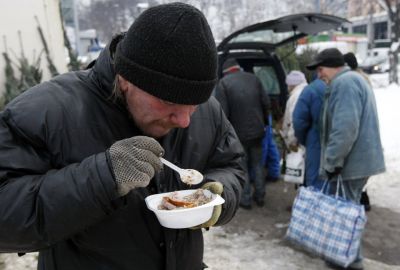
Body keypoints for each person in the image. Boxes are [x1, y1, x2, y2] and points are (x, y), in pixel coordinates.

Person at [0, 3, 246, 270]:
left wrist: (218, 198)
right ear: (126, 79)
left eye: (195, 104)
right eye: (167, 101)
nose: (185, 121)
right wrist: (102, 177)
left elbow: (230, 165)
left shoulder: (207, 111)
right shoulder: (48, 111)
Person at [306, 48, 386, 270]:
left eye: (321, 69)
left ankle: (350, 262)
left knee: (346, 216)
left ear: (332, 66)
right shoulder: (350, 80)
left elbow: (344, 129)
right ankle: (341, 258)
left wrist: (331, 163)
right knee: (346, 213)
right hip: (357, 161)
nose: (319, 74)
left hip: (351, 164)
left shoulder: (345, 84)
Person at [214, 58, 270, 209]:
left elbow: (223, 114)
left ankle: (245, 200)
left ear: (225, 72)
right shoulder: (254, 79)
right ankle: (260, 196)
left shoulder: (223, 84)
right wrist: (265, 124)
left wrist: (224, 136)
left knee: (242, 167)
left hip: (237, 135)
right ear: (238, 68)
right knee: (258, 165)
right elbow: (266, 104)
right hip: (258, 132)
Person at [343, 52, 372, 211]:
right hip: (366, 130)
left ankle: (362, 201)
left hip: (359, 131)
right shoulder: (363, 78)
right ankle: (363, 199)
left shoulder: (351, 81)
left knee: (355, 173)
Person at [292, 77, 327, 190]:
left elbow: (298, 121)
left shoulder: (311, 89)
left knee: (314, 184)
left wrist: (304, 139)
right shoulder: (342, 85)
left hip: (315, 141)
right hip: (338, 143)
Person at [280, 70, 308, 152]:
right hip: (303, 139)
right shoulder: (304, 91)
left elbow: (295, 120)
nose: (287, 86)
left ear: (292, 83)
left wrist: (292, 140)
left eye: (288, 84)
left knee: (297, 162)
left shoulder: (296, 96)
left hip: (298, 143)